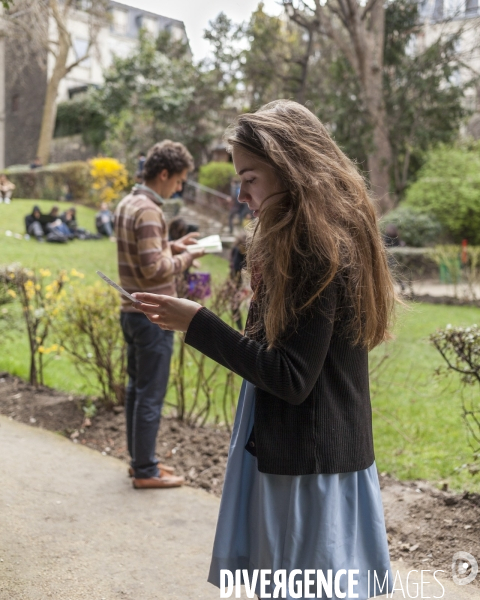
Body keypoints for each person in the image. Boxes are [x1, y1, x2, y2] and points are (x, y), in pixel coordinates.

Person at [132, 101, 397, 599]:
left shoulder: (312, 246)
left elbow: (291, 377)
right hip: (316, 454)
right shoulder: (313, 234)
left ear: (289, 167)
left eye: (249, 178)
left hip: (307, 466)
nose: (240, 193)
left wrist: (198, 322)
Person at [115, 140, 205, 490]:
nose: (179, 187)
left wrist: (173, 246)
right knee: (150, 394)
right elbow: (155, 270)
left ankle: (139, 462)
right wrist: (187, 258)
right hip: (154, 316)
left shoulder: (128, 203)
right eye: (179, 180)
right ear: (164, 174)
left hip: (131, 312)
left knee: (136, 390)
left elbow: (143, 253)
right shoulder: (151, 210)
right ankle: (146, 472)